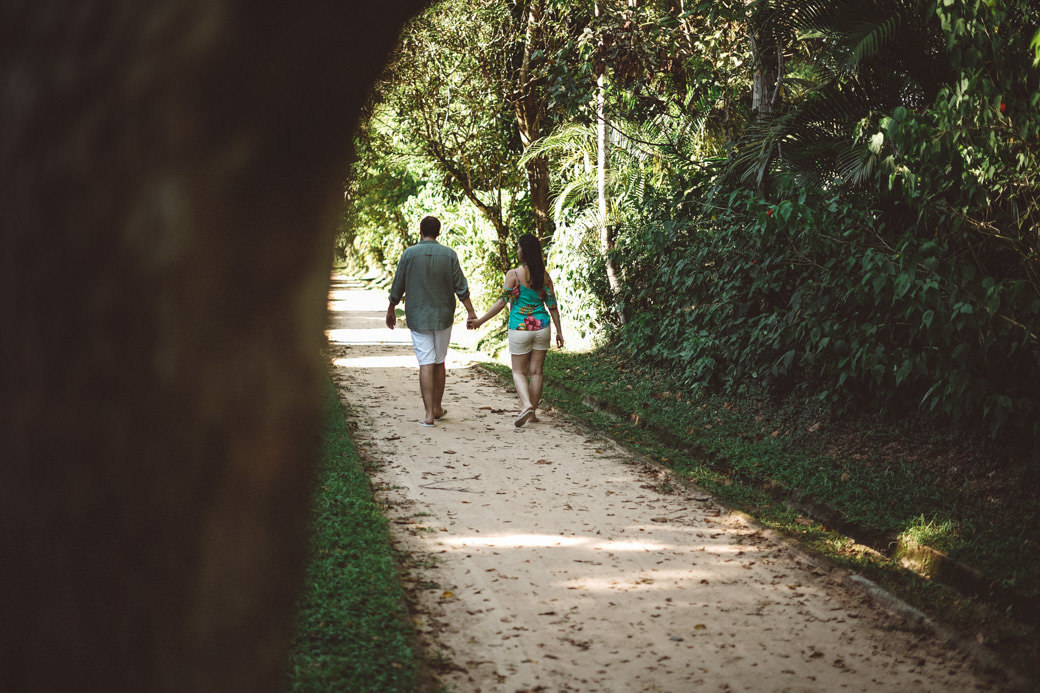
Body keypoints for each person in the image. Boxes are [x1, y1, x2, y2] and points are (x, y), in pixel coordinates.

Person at [386, 215, 477, 427]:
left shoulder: (409, 254)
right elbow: (460, 287)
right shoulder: (449, 254)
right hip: (443, 315)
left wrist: (392, 307)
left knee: (425, 361)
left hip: (418, 315)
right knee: (439, 360)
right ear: (438, 232)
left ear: (420, 231)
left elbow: (398, 284)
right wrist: (471, 312)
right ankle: (437, 407)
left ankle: (428, 414)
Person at [468, 233, 564, 427]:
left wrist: (480, 321)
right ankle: (532, 413)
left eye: (519, 247)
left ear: (524, 251)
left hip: (520, 328)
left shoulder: (513, 275)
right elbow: (552, 305)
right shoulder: (544, 276)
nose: (517, 251)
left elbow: (502, 303)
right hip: (542, 327)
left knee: (518, 371)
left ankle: (527, 405)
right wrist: (559, 332)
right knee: (536, 372)